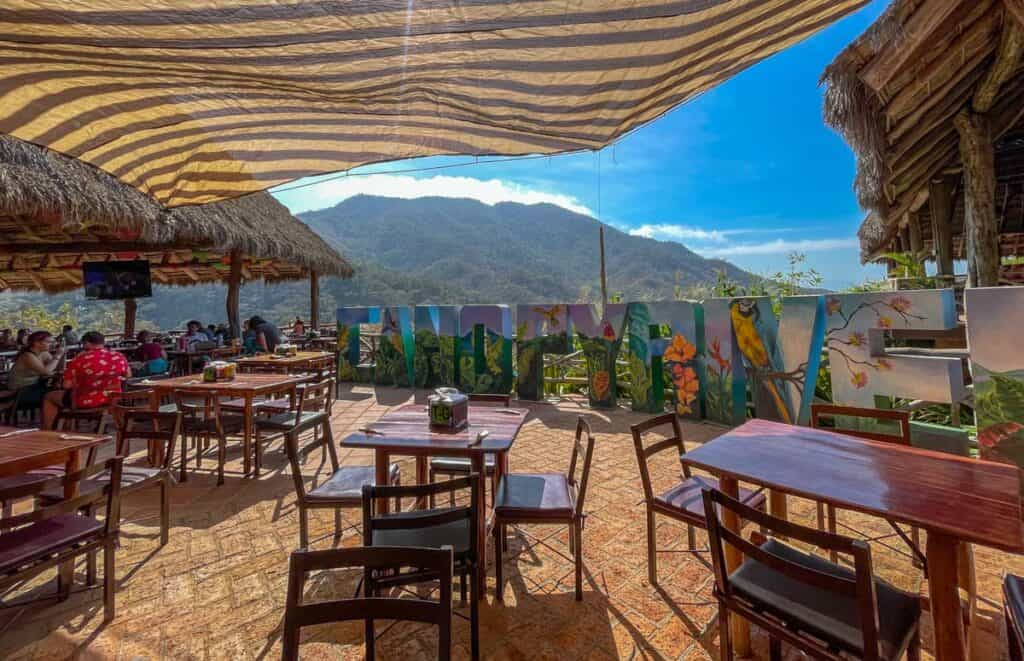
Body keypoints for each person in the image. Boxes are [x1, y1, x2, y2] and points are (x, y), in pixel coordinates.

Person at [45, 331, 130, 429]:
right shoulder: (119, 356)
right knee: (66, 397)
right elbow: (127, 375)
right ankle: (66, 426)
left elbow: (66, 385)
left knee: (49, 397)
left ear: (87, 343)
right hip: (112, 399)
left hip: (84, 400)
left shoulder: (79, 359)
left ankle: (47, 431)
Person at [8, 331, 65, 427]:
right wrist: (57, 356)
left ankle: (54, 423)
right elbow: (46, 372)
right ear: (37, 343)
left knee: (58, 390)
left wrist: (62, 355)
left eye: (52, 342)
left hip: (33, 386)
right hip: (20, 391)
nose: (52, 344)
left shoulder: (44, 353)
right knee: (53, 394)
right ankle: (50, 424)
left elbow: (58, 368)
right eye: (49, 342)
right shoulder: (27, 356)